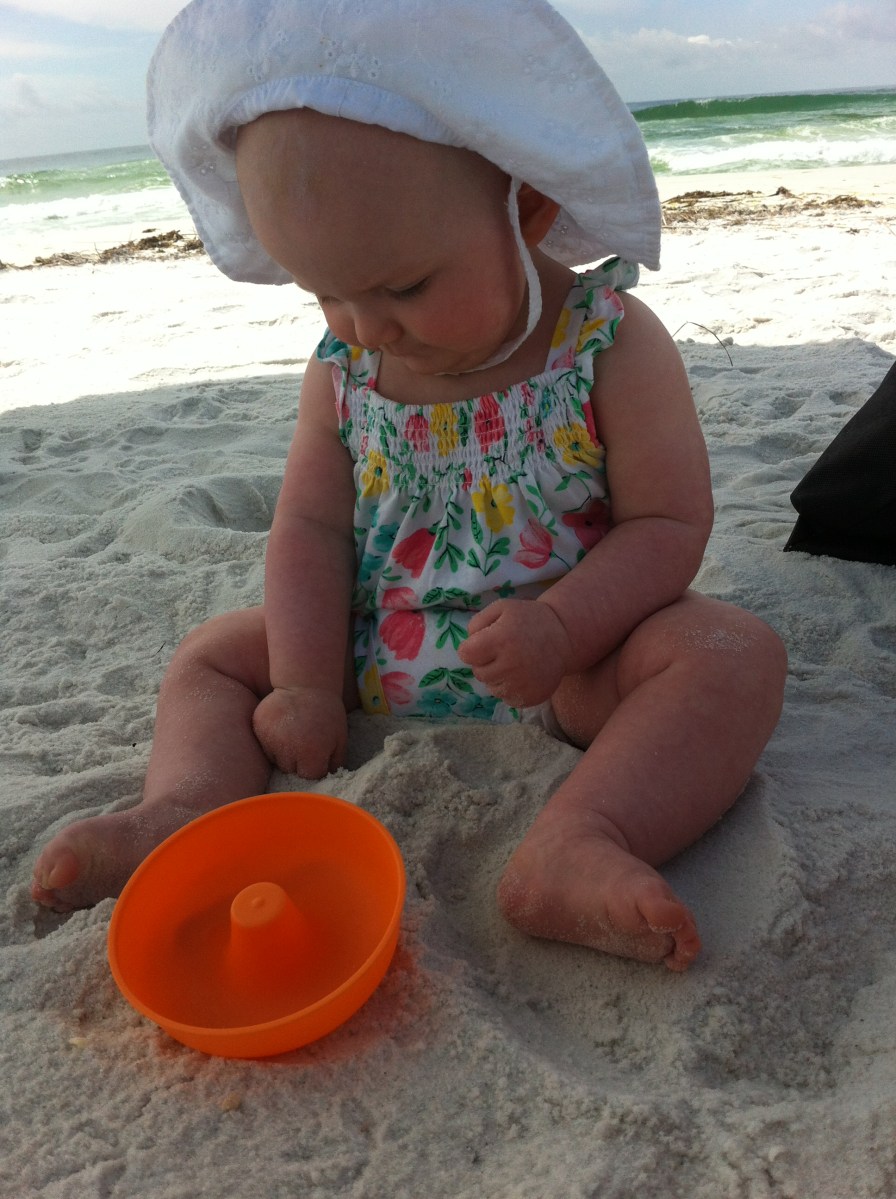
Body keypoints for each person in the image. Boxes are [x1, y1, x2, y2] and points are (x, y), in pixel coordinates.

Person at [31, 0, 787, 971]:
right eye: (324, 292)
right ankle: (182, 808)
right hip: (370, 648)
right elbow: (310, 529)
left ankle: (582, 836)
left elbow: (667, 523)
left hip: (567, 668)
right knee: (214, 655)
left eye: (403, 288)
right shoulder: (345, 369)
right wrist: (304, 682)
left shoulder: (606, 342)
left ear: (525, 207)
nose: (364, 326)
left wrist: (563, 627)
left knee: (729, 653)